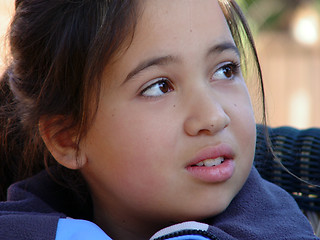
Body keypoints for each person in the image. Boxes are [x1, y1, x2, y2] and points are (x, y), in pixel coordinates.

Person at [0, 0, 318, 239]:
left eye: (225, 70)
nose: (213, 116)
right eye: (159, 87)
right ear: (67, 138)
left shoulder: (278, 228)